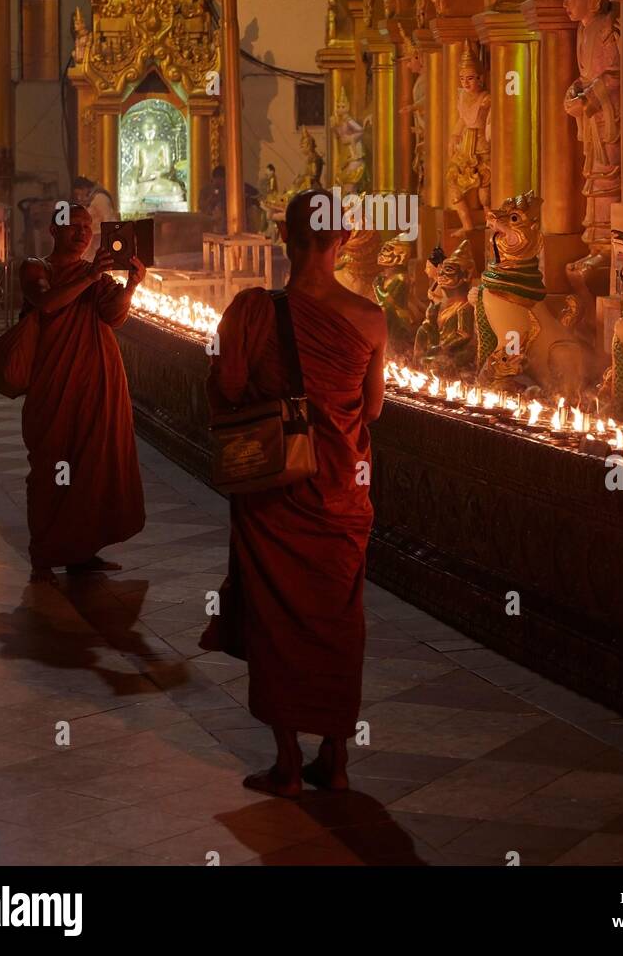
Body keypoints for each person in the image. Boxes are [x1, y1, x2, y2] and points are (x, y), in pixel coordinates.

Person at [200, 188, 387, 797]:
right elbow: (375, 407)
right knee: (339, 617)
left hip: (277, 490)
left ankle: (286, 763)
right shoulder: (370, 317)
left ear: (285, 237)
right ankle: (334, 757)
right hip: (342, 491)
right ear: (346, 240)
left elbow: (225, 388)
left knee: (276, 616)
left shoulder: (251, 309)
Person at [19, 203, 146, 584]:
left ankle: (82, 550)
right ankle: (45, 550)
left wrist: (132, 285)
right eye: (72, 226)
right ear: (54, 230)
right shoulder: (36, 268)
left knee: (91, 465)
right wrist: (91, 276)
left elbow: (114, 316)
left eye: (87, 227)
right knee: (53, 462)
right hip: (54, 383)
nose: (81, 233)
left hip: (97, 379)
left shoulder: (97, 277)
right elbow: (48, 304)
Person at [72, 175, 116, 262]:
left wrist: (109, 242)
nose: (79, 197)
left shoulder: (100, 198)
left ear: (85, 188)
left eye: (79, 193)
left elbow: (108, 220)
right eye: (77, 195)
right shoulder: (90, 199)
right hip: (92, 240)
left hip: (100, 240)